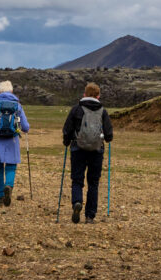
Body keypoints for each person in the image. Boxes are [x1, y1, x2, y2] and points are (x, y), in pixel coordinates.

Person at [62, 82, 113, 224]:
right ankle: (90, 216)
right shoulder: (102, 111)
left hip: (77, 149)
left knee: (77, 180)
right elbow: (109, 135)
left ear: (84, 94)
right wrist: (107, 139)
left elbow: (67, 129)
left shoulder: (76, 109)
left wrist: (66, 141)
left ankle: (77, 202)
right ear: (98, 95)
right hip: (96, 150)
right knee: (93, 182)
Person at [0, 80, 30, 207]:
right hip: (12, 140)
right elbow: (25, 127)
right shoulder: (17, 105)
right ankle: (8, 185)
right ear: (12, 91)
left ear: (0, 91)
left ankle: (0, 197)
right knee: (11, 166)